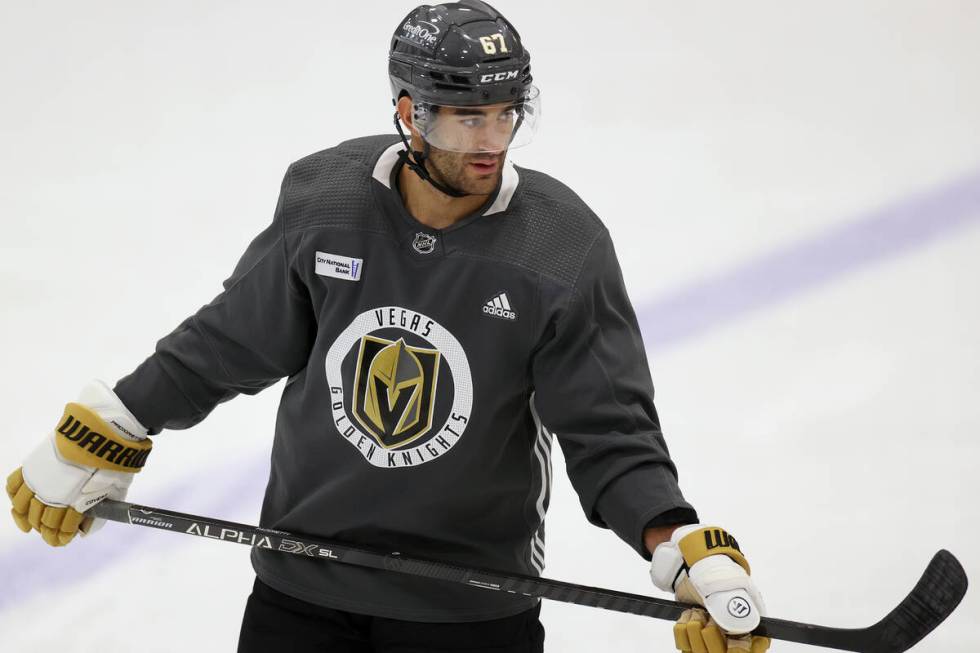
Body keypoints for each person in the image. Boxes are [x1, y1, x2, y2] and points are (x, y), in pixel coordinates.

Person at [6, 2, 771, 652]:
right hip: (300, 594)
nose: (493, 140)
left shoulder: (562, 248)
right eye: (468, 117)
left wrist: (673, 541)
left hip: (469, 613)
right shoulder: (328, 202)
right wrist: (117, 421)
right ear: (409, 112)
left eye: (507, 113)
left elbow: (609, 432)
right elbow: (233, 337)